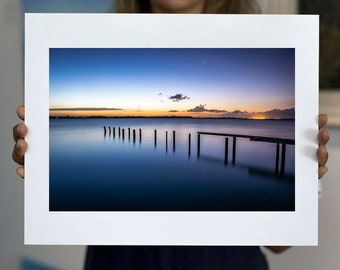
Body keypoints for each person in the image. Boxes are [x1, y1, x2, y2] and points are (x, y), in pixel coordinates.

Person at [12, 0, 330, 269]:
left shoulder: (272, 43)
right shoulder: (98, 37)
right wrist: (46, 171)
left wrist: (301, 185)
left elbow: (280, 243)